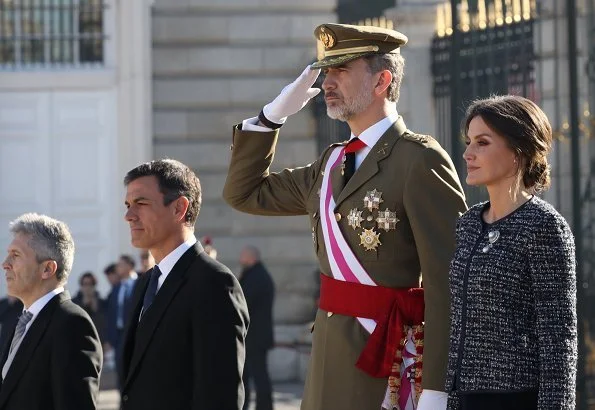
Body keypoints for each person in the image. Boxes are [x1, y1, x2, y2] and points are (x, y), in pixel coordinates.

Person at [223, 23, 467, 410]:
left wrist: (436, 388)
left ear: (381, 80)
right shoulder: (331, 163)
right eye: (327, 70)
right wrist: (269, 120)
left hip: (385, 362)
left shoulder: (418, 159)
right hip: (329, 357)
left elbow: (448, 282)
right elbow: (244, 193)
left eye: (341, 70)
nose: (327, 82)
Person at [445, 95, 577, 409]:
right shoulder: (468, 224)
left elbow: (558, 335)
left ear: (518, 152)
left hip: (517, 399)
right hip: (465, 398)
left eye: (482, 142)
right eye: (468, 142)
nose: (468, 153)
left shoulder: (543, 226)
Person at [120, 159, 249, 410]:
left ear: (179, 208)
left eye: (141, 203)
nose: (128, 216)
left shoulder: (215, 284)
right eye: (127, 205)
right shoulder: (145, 282)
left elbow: (220, 396)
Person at [0, 213, 102, 409]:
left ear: (47, 269)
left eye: (16, 255)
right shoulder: (23, 321)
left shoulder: (72, 324)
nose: (5, 263)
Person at [238, 246, 275, 410]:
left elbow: (243, 301)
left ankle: (263, 406)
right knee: (247, 375)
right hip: (254, 336)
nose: (241, 260)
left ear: (252, 258)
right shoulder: (257, 275)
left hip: (255, 337)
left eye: (243, 257)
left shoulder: (257, 277)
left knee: (258, 375)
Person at [106, 254, 138, 388]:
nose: (118, 267)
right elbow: (112, 314)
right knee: (120, 370)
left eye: (121, 264)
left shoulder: (139, 284)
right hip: (118, 337)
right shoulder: (117, 287)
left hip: (133, 334)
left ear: (130, 266)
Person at [73, 271, 108, 343]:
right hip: (78, 340)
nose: (87, 287)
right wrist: (84, 306)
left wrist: (95, 309)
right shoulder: (74, 303)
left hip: (97, 341)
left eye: (90, 284)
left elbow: (105, 324)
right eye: (85, 284)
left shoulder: (102, 303)